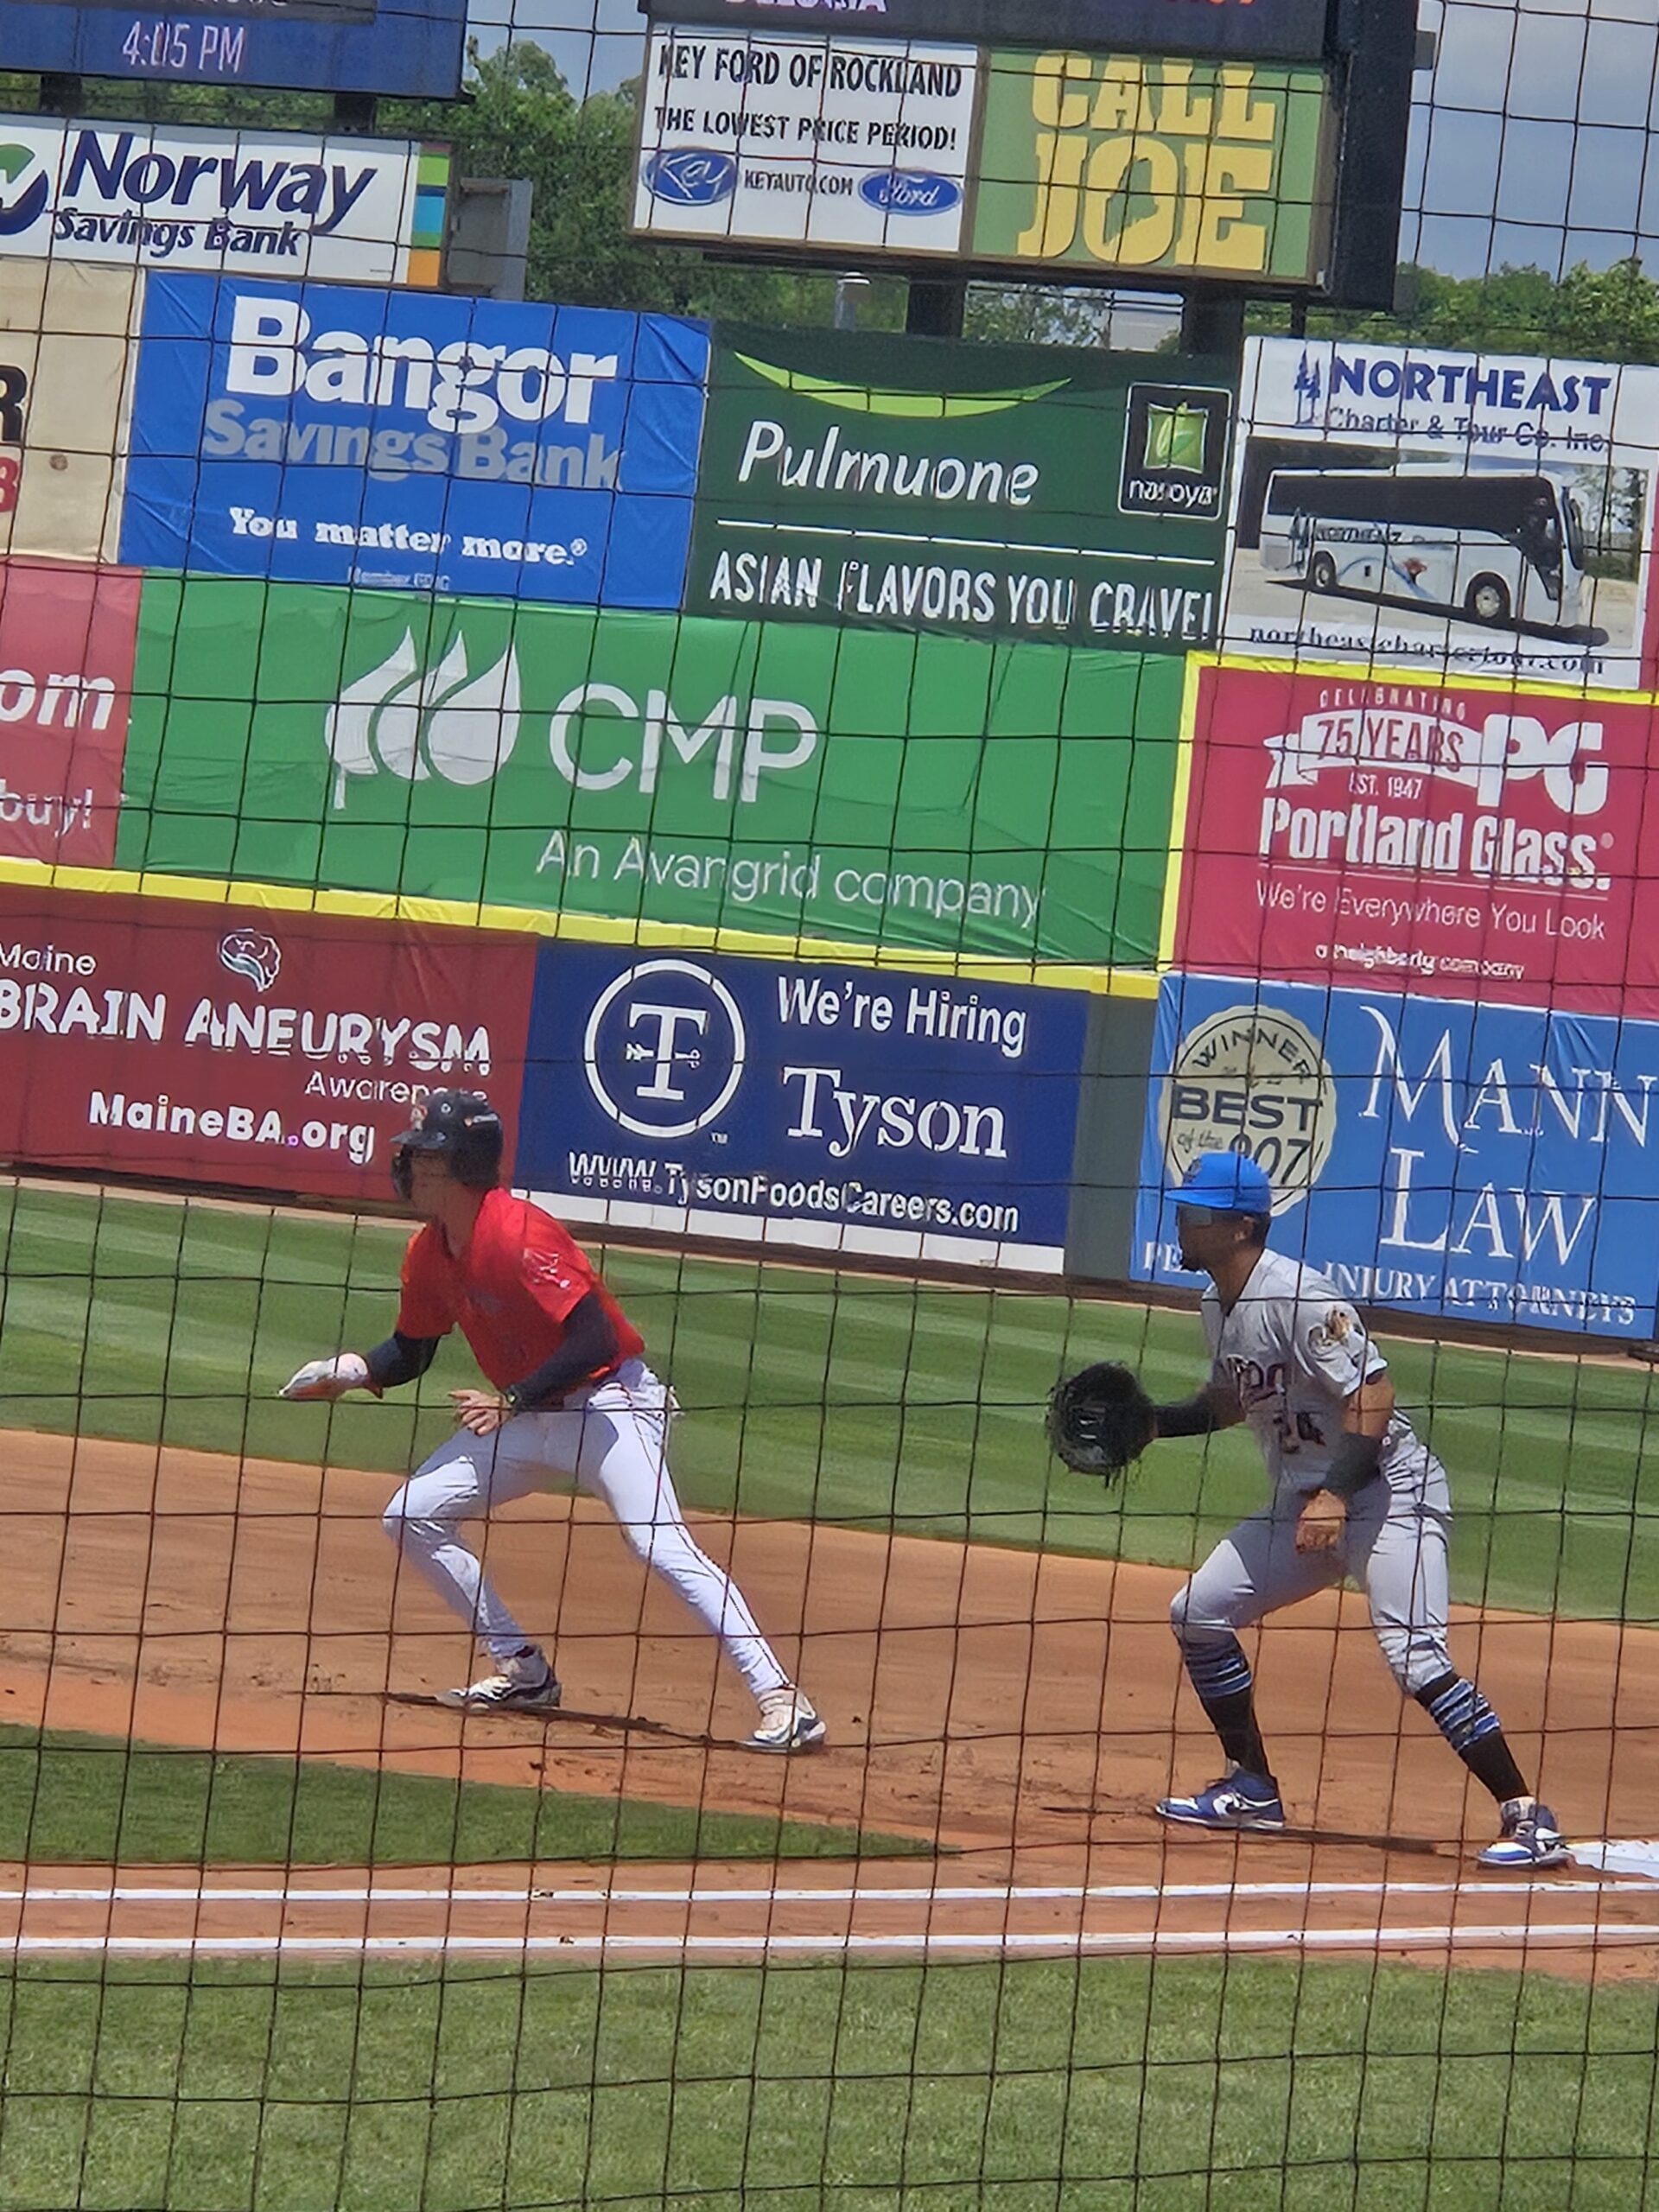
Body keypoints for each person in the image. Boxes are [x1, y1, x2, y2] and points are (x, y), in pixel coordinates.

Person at [281, 1089, 825, 1753]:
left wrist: (512, 1399)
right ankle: (523, 1669)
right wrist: (349, 1371)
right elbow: (413, 1348)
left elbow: (594, 1338)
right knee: (411, 1514)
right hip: (529, 1413)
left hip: (607, 1406)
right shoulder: (428, 1252)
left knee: (659, 1543)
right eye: (414, 1156)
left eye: (427, 1157)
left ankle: (783, 1700)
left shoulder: (519, 1231)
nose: (411, 1168)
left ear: (464, 1165)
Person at [1146, 1149, 1565, 1869]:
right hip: (1308, 1501)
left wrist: (1338, 1494)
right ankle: (1253, 1788)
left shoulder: (1301, 1297)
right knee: (1198, 1613)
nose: (1182, 1219)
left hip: (1388, 1493)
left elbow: (1373, 1394)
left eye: (1197, 1211)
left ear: (1242, 1227)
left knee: (1415, 1655)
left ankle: (1529, 1816)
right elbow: (1227, 1399)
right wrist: (1153, 1424)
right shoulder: (1218, 1303)